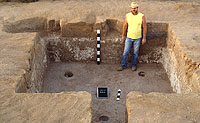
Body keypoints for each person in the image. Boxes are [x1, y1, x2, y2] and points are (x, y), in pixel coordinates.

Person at [117, 2, 147, 71]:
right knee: (126, 52)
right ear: (131, 9)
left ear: (137, 8)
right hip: (129, 37)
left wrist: (144, 38)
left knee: (135, 53)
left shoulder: (142, 16)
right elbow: (125, 26)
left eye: (135, 8)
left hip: (138, 38)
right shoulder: (128, 16)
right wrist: (123, 35)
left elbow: (145, 27)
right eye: (132, 8)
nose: (134, 9)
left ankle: (133, 65)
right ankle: (123, 65)